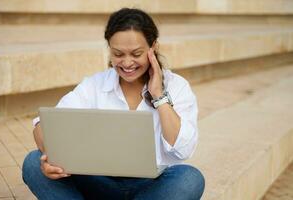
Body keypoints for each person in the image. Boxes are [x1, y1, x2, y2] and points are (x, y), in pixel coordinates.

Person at [22, 8, 205, 200]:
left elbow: (183, 150)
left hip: (152, 187)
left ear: (154, 47)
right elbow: (43, 126)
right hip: (97, 181)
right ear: (109, 49)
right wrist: (50, 157)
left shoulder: (177, 86)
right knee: (34, 163)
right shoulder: (94, 85)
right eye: (118, 54)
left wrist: (159, 95)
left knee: (190, 179)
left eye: (136, 54)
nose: (127, 63)